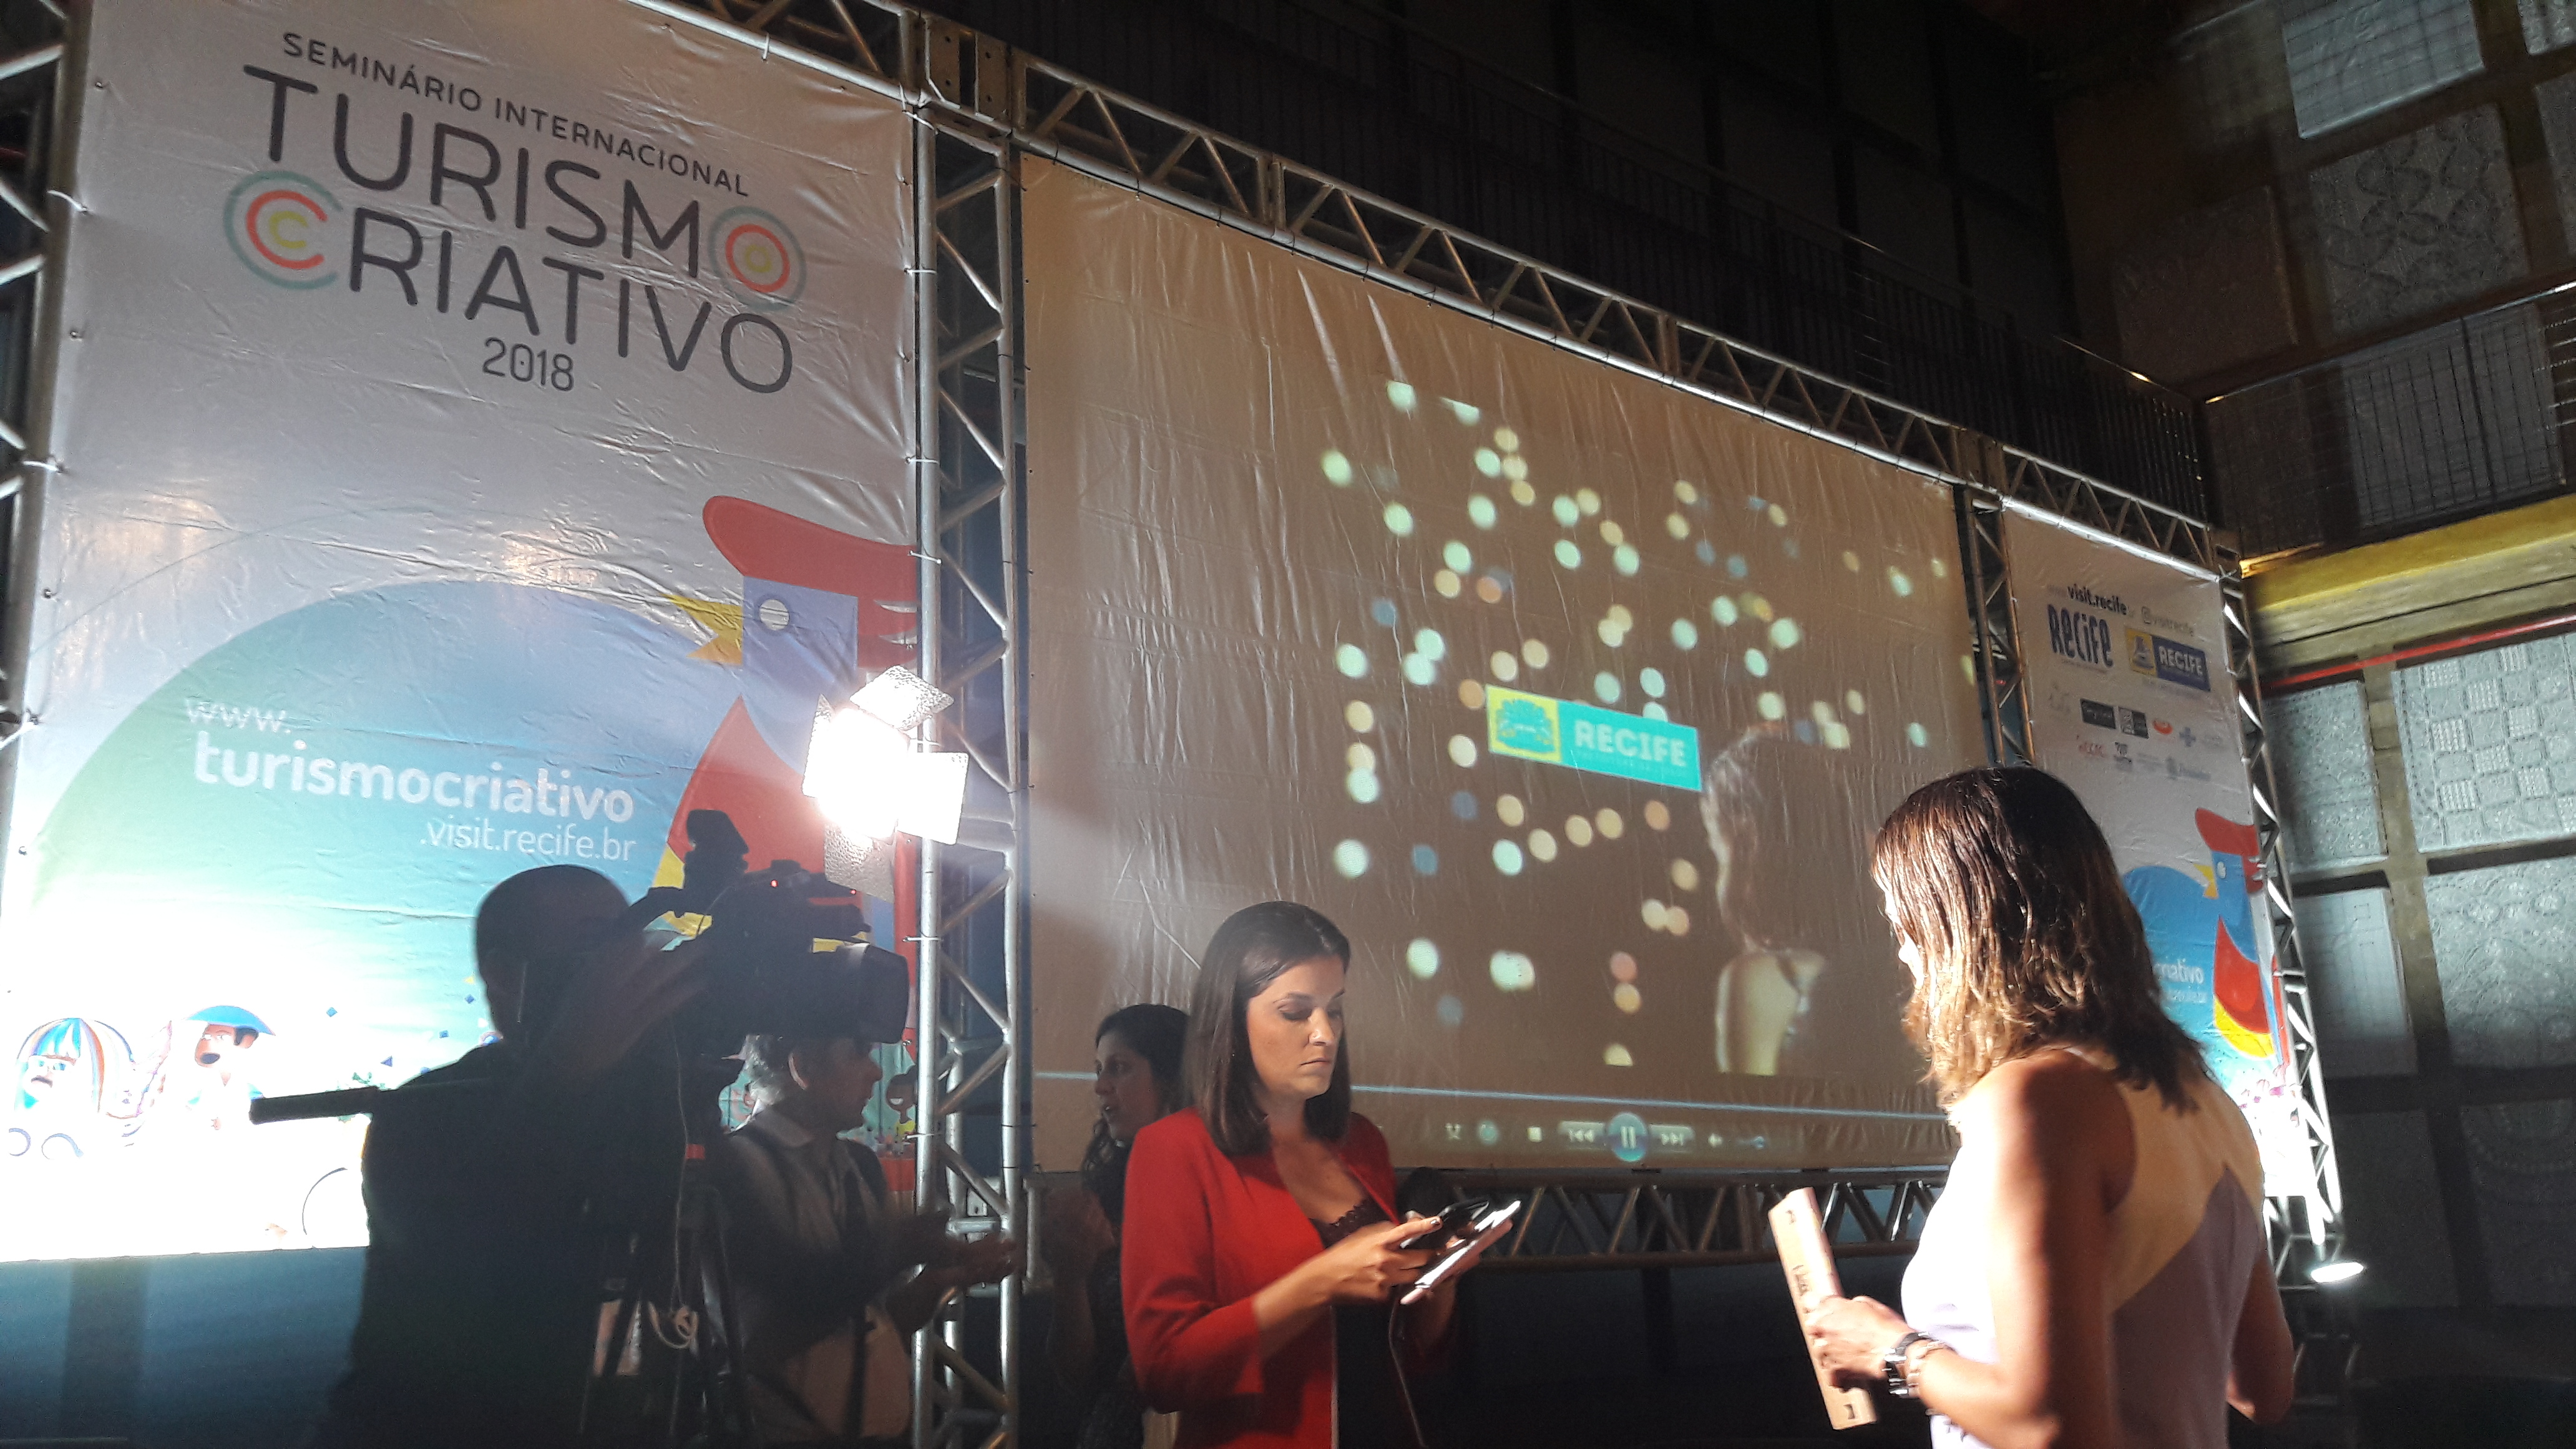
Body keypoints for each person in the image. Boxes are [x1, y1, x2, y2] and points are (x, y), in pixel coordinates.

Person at [1803, 768, 2295, 1448]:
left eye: (1903, 927)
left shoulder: (2036, 1101)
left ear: (1958, 928)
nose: (1905, 957)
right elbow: (2264, 1388)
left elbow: (2052, 1426)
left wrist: (1891, 1352)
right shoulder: (2209, 1103)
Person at [312, 864, 716, 1448]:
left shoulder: (655, 1103)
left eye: (629, 941)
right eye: (595, 943)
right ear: (504, 974)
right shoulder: (424, 1111)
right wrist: (569, 1065)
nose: (622, 965)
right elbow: (474, 1249)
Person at [1122, 902, 1484, 1449]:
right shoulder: (1173, 1150)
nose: (1325, 1034)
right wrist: (1319, 1283)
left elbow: (1403, 1355)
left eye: (1334, 1010)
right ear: (1231, 1024)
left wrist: (1440, 1278)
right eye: (1295, 1012)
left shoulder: (1361, 1141)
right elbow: (1164, 1371)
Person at [715, 1032, 1018, 1447]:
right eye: (858, 1054)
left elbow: (879, 1324)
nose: (876, 1072)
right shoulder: (738, 1167)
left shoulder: (860, 1166)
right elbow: (756, 1341)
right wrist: (891, 1254)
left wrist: (941, 1280)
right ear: (803, 1067)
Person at [1699, 724, 1905, 1077]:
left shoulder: (1761, 980)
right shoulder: (1903, 964)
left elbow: (1754, 1109)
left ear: (1744, 844)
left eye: (1716, 843)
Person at [1042, 1003, 1191, 1449]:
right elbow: (1074, 1375)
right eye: (1098, 1070)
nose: (1100, 1086)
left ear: (1174, 1079)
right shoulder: (1105, 1198)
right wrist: (1070, 1274)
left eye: (1119, 1068)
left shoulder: (1234, 1185)